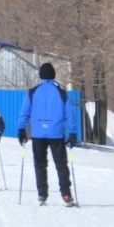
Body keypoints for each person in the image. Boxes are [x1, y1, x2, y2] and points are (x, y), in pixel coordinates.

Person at [16, 62, 78, 206]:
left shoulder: (32, 92)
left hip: (38, 134)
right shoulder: (62, 92)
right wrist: (73, 132)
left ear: (41, 75)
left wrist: (21, 129)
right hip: (56, 134)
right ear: (53, 75)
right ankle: (66, 194)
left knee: (40, 165)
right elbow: (70, 114)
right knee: (61, 165)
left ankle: (42, 195)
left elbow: (24, 112)